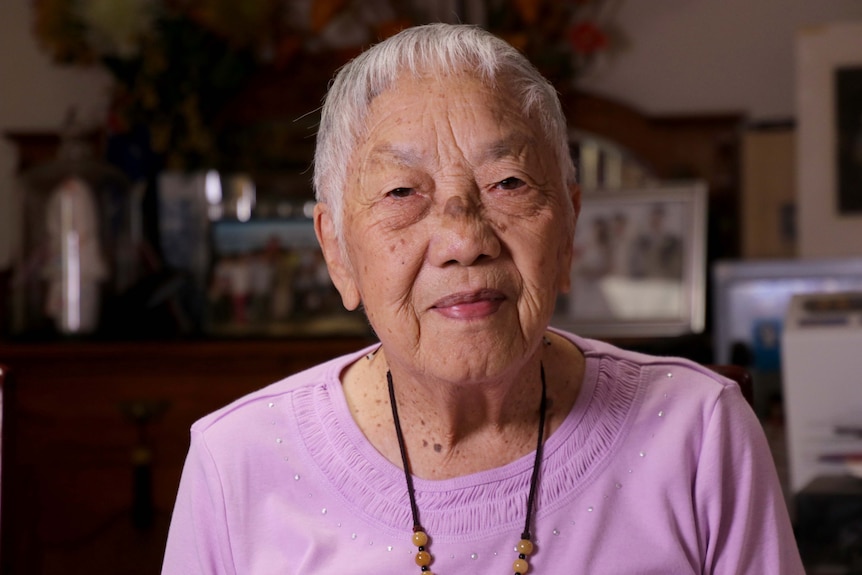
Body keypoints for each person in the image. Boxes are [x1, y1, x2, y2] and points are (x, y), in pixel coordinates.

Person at [162, 23, 804, 574]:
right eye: (400, 193)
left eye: (508, 182)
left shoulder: (698, 433)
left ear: (569, 230)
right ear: (337, 251)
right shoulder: (237, 463)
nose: (464, 240)